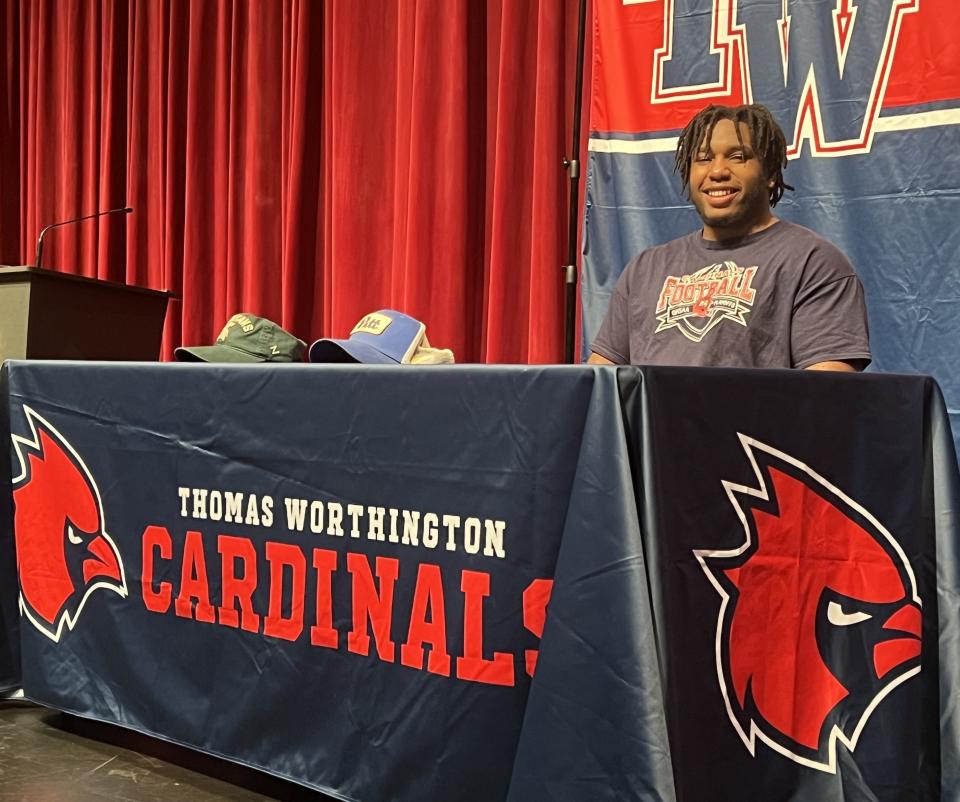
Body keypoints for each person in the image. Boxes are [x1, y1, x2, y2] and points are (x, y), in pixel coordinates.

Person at [588, 103, 870, 371]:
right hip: (651, 424)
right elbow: (601, 382)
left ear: (770, 173)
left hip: (755, 424)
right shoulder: (644, 269)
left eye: (738, 157)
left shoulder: (813, 263)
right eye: (703, 159)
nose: (718, 171)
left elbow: (829, 393)